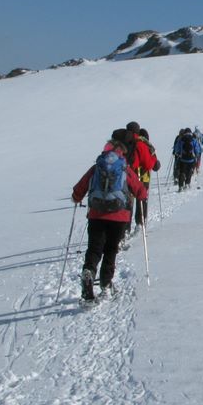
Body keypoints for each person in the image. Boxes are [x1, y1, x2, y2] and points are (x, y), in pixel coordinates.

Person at [72, 129, 147, 302]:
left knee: (94, 248)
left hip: (96, 214)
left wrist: (77, 198)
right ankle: (106, 284)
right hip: (119, 216)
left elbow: (80, 188)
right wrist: (141, 197)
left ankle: (89, 271)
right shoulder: (124, 168)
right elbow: (140, 191)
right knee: (111, 250)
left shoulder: (97, 166)